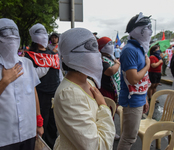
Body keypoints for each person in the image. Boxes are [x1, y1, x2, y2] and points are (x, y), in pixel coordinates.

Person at [0, 18, 44, 150]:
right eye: (4, 33)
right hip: (2, 139)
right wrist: (4, 82)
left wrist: (39, 121)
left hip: (29, 133)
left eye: (14, 32)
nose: (10, 37)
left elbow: (33, 92)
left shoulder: (27, 64)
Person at [53, 28, 115, 150]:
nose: (96, 54)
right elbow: (98, 146)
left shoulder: (89, 82)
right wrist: (103, 106)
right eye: (89, 48)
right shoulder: (69, 95)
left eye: (95, 48)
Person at [117, 12, 151, 150]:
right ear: (138, 30)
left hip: (138, 99)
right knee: (129, 137)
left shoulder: (139, 49)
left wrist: (145, 99)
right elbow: (133, 79)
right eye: (147, 27)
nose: (150, 31)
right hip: (132, 101)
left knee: (130, 135)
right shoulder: (130, 50)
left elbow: (143, 79)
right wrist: (148, 65)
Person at [25, 23, 61, 149]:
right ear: (34, 37)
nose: (44, 36)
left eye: (45, 33)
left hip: (55, 94)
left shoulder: (52, 53)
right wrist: (45, 66)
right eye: (40, 34)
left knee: (54, 126)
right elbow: (29, 77)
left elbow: (58, 73)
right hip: (40, 96)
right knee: (41, 128)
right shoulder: (28, 55)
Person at [97, 36, 121, 140]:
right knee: (107, 113)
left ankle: (111, 132)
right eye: (108, 44)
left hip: (113, 90)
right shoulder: (101, 59)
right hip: (105, 91)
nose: (111, 46)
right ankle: (107, 134)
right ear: (102, 47)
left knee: (112, 112)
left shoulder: (111, 57)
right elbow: (110, 71)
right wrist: (118, 63)